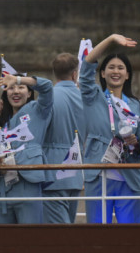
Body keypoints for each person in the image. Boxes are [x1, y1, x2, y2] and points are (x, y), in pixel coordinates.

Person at [79, 34, 140, 223]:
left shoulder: (139, 106)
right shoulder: (93, 97)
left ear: (127, 75)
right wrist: (110, 40)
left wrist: (136, 144)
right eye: (110, 67)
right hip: (98, 174)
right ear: (102, 73)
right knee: (98, 235)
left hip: (129, 177)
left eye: (120, 68)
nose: (115, 71)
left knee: (130, 236)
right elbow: (86, 66)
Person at [0, 74, 53, 224]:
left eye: (21, 87)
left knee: (29, 240)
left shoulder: (38, 111)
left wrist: (18, 79)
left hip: (28, 183)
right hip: (2, 188)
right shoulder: (1, 123)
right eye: (11, 88)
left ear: (30, 93)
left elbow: (47, 87)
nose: (16, 91)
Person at [42, 53, 84, 223]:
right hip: (76, 171)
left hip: (53, 173)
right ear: (75, 74)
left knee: (59, 236)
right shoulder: (86, 98)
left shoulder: (49, 97)